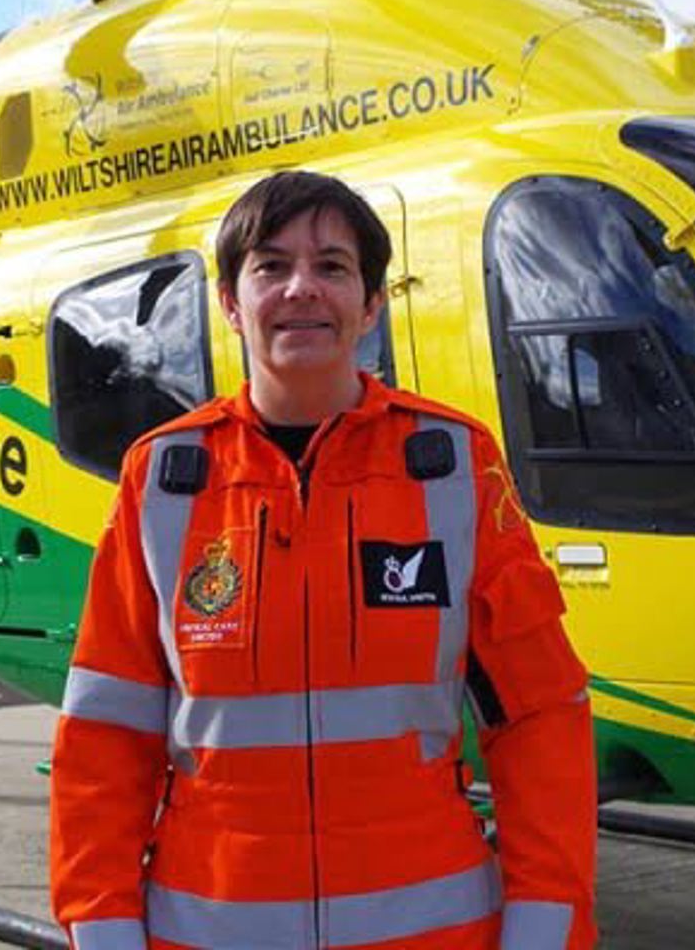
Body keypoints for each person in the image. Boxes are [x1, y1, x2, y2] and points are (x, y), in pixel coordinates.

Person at [50, 170, 597, 949]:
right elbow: (104, 737)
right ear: (231, 304)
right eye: (270, 266)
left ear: (371, 304)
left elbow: (541, 719)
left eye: (332, 266)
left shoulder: (453, 467)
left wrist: (543, 931)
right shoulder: (165, 480)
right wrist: (101, 930)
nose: (301, 288)